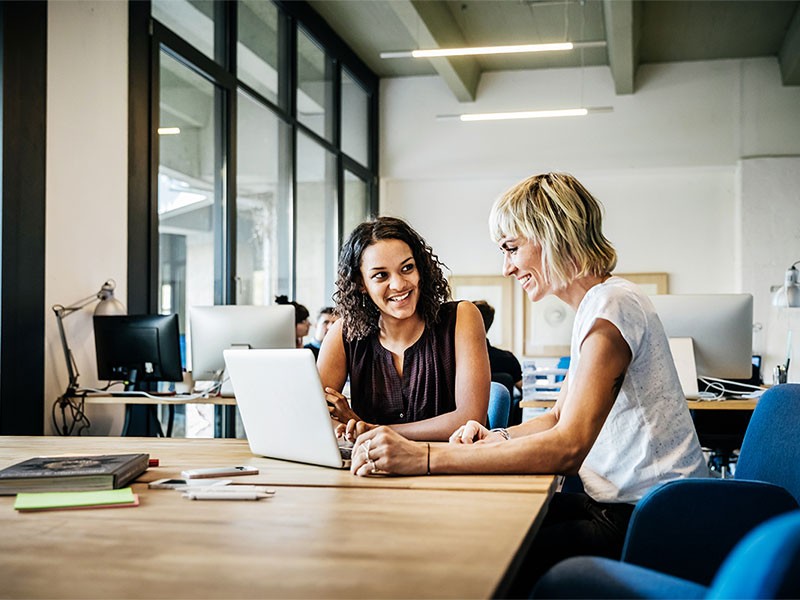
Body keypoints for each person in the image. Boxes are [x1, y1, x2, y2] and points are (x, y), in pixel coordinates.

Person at [347, 173, 708, 589]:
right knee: (475, 525)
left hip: (652, 519)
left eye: (512, 248)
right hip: (622, 507)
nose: (507, 267)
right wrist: (495, 437)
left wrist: (423, 457)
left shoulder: (613, 306)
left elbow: (568, 447)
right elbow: (556, 417)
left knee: (479, 557)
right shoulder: (600, 305)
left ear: (553, 235)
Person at [318, 216, 490, 442]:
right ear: (361, 283)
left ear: (421, 269)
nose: (399, 284)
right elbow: (314, 414)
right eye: (381, 275)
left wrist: (371, 430)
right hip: (371, 472)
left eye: (407, 268)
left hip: (448, 470)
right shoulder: (345, 333)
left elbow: (469, 419)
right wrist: (343, 427)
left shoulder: (462, 318)